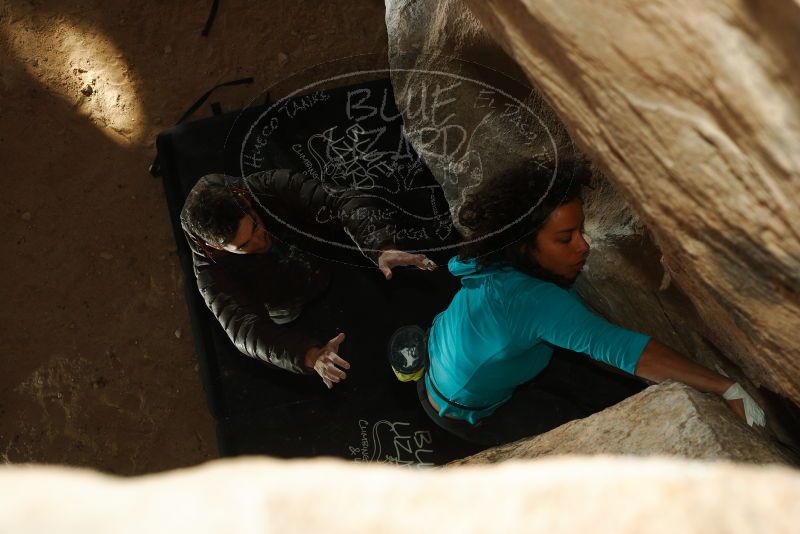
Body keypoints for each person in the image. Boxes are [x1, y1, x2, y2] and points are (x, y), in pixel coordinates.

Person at [391, 165, 765, 445]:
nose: (583, 246)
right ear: (524, 246)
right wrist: (725, 386)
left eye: (581, 230)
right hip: (460, 409)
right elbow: (618, 348)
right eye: (565, 238)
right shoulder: (533, 301)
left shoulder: (494, 257)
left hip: (445, 351)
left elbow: (595, 342)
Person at [180, 169, 437, 388]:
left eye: (256, 225)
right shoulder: (210, 270)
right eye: (244, 245)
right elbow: (244, 329)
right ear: (217, 248)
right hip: (286, 305)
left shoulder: (266, 188)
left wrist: (380, 245)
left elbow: (339, 201)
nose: (260, 241)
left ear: (245, 201)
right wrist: (310, 355)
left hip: (322, 263)